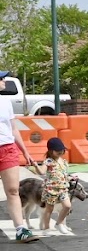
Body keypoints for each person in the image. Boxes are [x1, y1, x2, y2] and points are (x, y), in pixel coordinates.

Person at [0, 79, 39, 242]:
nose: (4, 81)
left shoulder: (5, 101)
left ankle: (21, 230)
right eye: (1, 78)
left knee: (13, 190)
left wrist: (25, 152)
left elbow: (13, 128)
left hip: (7, 148)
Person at [38, 138, 75, 236]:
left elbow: (64, 174)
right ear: (50, 151)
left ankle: (59, 223)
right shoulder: (48, 161)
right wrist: (36, 166)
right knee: (49, 209)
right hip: (51, 189)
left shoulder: (63, 161)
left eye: (61, 150)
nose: (60, 152)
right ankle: (46, 228)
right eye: (57, 150)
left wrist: (70, 178)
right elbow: (42, 172)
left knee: (67, 206)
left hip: (62, 188)